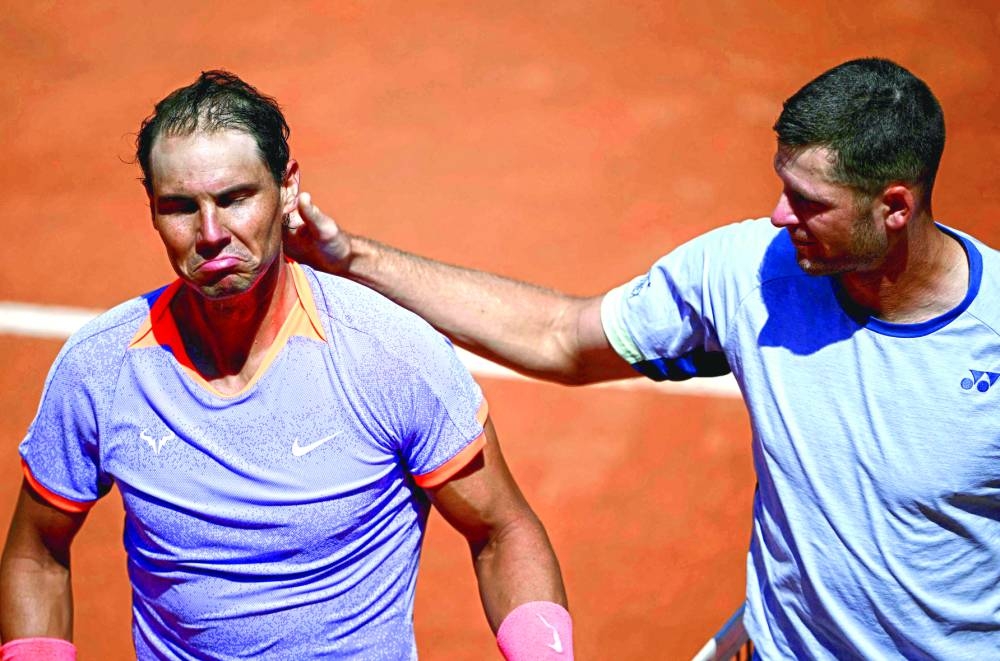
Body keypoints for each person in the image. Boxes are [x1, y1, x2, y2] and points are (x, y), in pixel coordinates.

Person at [282, 58, 1000, 658]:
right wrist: (352, 259)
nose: (781, 215)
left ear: (896, 207)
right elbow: (562, 336)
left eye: (809, 202)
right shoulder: (749, 273)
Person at [0, 71, 573, 661]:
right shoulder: (100, 369)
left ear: (288, 188)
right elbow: (36, 552)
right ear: (151, 211)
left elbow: (502, 532)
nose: (211, 234)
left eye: (235, 198)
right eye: (179, 207)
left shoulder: (388, 355)